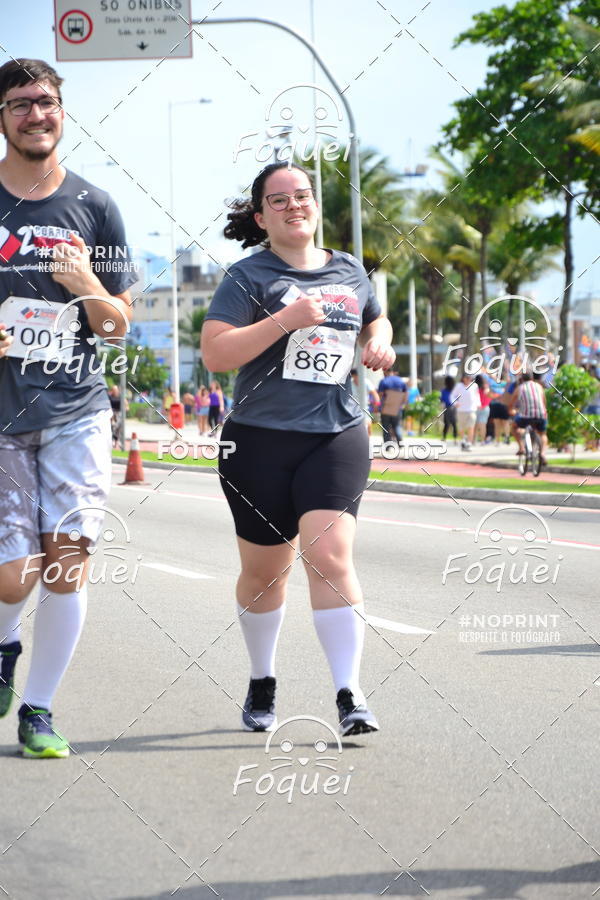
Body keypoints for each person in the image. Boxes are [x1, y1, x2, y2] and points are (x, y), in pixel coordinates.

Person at [201, 162, 395, 736]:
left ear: (316, 205)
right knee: (265, 574)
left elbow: (374, 322)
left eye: (302, 195)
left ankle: (349, 693)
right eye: (278, 200)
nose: (294, 205)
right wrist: (285, 319)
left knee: (330, 557)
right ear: (261, 216)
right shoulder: (246, 276)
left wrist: (378, 344)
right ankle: (263, 679)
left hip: (335, 435)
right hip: (258, 441)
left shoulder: (350, 269)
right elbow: (216, 354)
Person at [0, 59, 136, 757]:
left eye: (46, 102)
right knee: (12, 575)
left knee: (68, 560)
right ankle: (4, 644)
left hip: (78, 408)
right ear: (2, 116)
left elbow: (118, 325)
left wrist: (86, 284)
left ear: (62, 111)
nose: (35, 115)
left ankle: (39, 710)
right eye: (20, 103)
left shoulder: (96, 206)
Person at [511, 372, 548, 463]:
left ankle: (521, 447)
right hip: (541, 415)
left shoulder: (519, 388)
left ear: (521, 380)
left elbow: (511, 404)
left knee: (514, 427)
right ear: (532, 378)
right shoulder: (539, 387)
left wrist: (511, 410)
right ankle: (543, 453)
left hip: (526, 416)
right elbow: (544, 402)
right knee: (542, 434)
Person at [450, 373, 481, 451]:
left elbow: (477, 395)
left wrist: (478, 403)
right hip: (461, 410)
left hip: (471, 410)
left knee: (471, 427)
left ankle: (469, 443)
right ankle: (463, 440)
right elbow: (452, 396)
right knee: (461, 428)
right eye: (466, 378)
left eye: (469, 378)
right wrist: (455, 403)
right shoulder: (458, 386)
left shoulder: (474, 386)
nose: (468, 379)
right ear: (463, 378)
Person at [377, 368, 407, 445]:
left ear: (385, 372)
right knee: (397, 425)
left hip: (386, 406)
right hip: (397, 407)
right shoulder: (400, 381)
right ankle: (400, 442)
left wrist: (381, 405)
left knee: (386, 427)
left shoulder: (383, 381)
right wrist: (403, 404)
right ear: (392, 372)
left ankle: (388, 445)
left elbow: (380, 394)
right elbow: (405, 394)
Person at [350, 368, 380, 435]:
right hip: (353, 409)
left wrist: (376, 404)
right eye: (355, 375)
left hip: (364, 408)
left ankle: (368, 442)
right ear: (353, 376)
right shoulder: (350, 383)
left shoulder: (366, 382)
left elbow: (374, 394)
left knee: (368, 425)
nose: (357, 377)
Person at [474, 374, 492, 444]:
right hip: (485, 407)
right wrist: (484, 405)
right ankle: (482, 440)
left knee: (475, 425)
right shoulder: (486, 387)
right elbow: (489, 398)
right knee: (483, 425)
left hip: (476, 407)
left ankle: (473, 440)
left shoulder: (475, 388)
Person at [440, 375, 457, 442]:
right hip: (454, 408)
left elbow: (442, 400)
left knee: (446, 423)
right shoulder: (455, 390)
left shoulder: (443, 391)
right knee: (454, 423)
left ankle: (444, 437)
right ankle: (455, 438)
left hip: (447, 408)